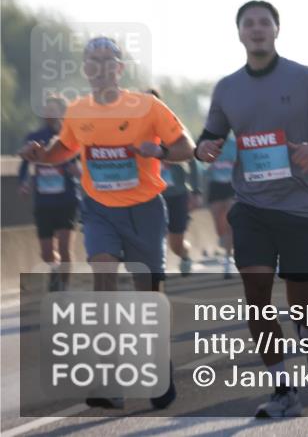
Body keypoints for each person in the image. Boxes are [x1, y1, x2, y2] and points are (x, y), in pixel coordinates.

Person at [19, 36, 195, 411]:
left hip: (145, 208)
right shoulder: (78, 112)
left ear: (119, 68)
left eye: (107, 60)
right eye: (92, 61)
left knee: (149, 296)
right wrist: (40, 155)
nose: (99, 67)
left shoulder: (148, 106)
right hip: (98, 209)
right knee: (104, 283)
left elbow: (186, 147)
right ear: (85, 69)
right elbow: (62, 150)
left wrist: (160, 151)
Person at [195, 1, 308, 418]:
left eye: (265, 22)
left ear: (277, 30)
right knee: (257, 299)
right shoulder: (227, 88)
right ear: (240, 34)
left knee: (302, 306)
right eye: (249, 23)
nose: (257, 28)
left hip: (301, 207)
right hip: (252, 207)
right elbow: (209, 136)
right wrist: (203, 148)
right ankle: (284, 390)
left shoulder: (303, 78)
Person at [18, 95, 80, 292]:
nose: (50, 115)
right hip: (43, 202)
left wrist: (77, 169)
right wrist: (23, 183)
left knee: (64, 247)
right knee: (46, 253)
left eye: (54, 111)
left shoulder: (71, 137)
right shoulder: (33, 137)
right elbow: (24, 165)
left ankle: (64, 287)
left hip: (67, 200)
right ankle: (55, 271)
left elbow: (83, 161)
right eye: (47, 110)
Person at [148, 89, 200, 276]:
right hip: (151, 195)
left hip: (176, 194)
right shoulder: (136, 130)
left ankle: (185, 255)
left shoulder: (172, 127)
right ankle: (156, 269)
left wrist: (196, 191)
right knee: (152, 236)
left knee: (176, 243)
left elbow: (192, 158)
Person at [204, 134, 238, 278]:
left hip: (232, 185)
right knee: (220, 226)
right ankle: (226, 252)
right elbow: (204, 166)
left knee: (230, 222)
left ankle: (227, 261)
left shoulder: (234, 144)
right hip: (216, 185)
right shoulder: (209, 143)